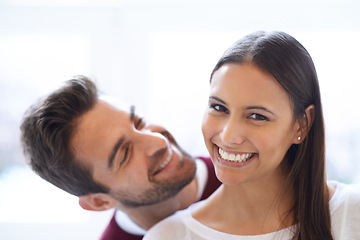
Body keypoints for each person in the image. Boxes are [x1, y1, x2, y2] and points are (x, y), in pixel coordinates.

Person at [144, 31, 360, 240]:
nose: (228, 137)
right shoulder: (168, 236)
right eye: (219, 108)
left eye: (257, 116)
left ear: (301, 126)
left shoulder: (353, 214)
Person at [20, 76, 221, 240]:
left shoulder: (245, 174)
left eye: (139, 122)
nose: (158, 142)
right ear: (99, 202)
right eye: (125, 153)